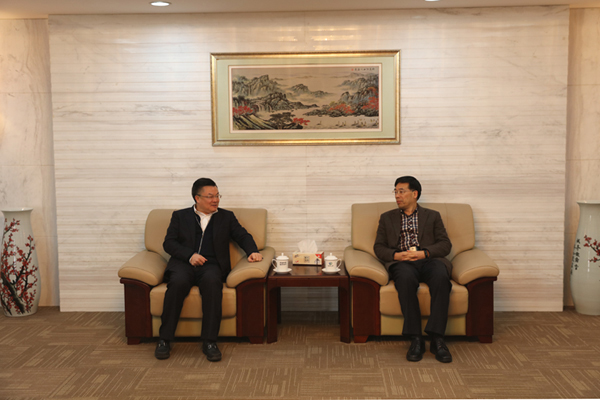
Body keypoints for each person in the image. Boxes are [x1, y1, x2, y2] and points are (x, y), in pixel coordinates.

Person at [155, 178, 263, 361]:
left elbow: (242, 236)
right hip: (183, 264)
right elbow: (169, 243)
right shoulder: (180, 216)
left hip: (211, 265)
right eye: (210, 196)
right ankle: (164, 339)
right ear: (197, 198)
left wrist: (253, 251)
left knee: (213, 284)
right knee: (178, 283)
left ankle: (210, 341)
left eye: (217, 196)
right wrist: (190, 255)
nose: (216, 200)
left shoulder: (226, 217)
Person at [374, 176, 453, 363]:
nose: (397, 196)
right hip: (402, 263)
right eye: (395, 191)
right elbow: (379, 247)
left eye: (401, 191)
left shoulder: (432, 216)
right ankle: (416, 338)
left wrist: (424, 253)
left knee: (441, 277)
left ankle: (437, 338)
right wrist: (396, 256)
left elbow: (445, 244)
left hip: (428, 260)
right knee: (405, 279)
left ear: (415, 194)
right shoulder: (387, 218)